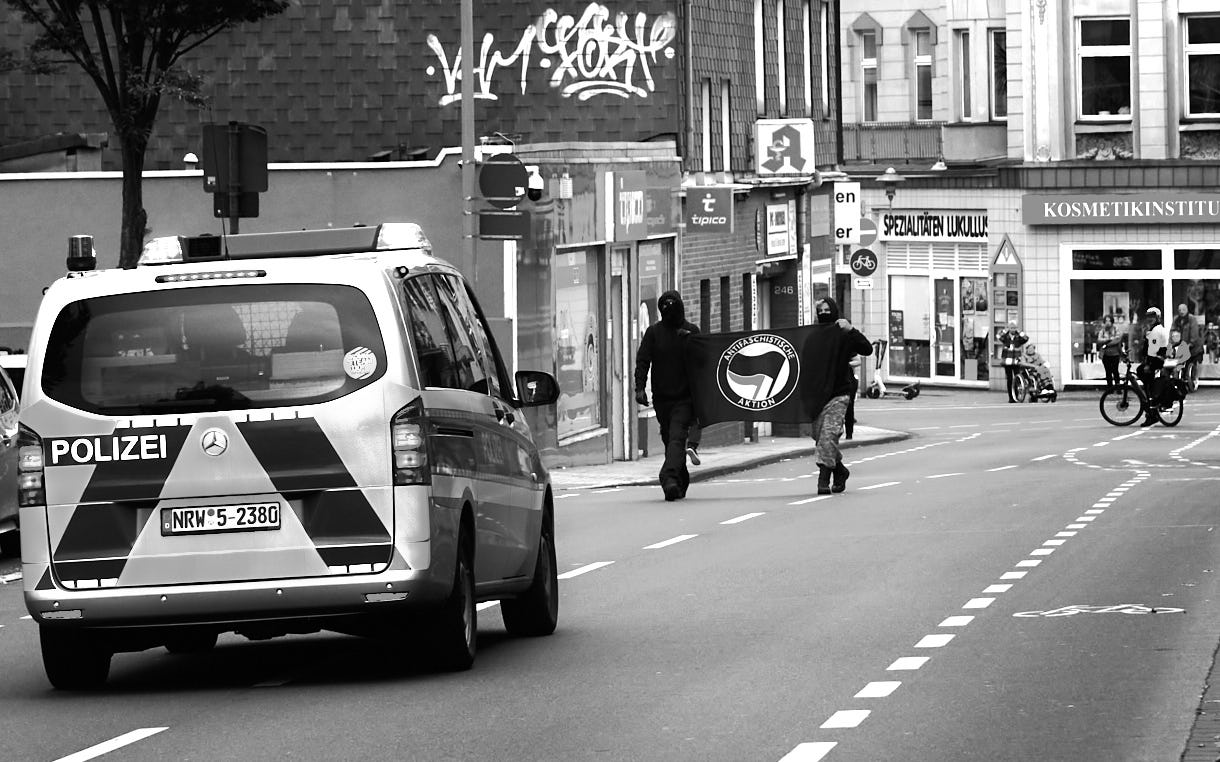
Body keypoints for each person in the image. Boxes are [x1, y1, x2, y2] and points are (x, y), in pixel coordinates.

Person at [799, 297, 873, 495]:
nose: (823, 312)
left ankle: (823, 481)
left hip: (839, 394)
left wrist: (851, 329)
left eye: (826, 309)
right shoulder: (812, 337)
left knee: (828, 435)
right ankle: (840, 471)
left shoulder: (843, 334)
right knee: (821, 439)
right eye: (820, 310)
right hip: (817, 397)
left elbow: (867, 348)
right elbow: (805, 368)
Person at [634, 290, 699, 501]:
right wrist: (640, 387)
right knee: (670, 439)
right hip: (662, 399)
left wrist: (690, 342)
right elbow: (643, 360)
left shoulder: (691, 331)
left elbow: (704, 360)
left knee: (677, 437)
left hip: (685, 398)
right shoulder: (654, 333)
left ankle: (668, 477)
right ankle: (680, 479)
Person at [1139, 306, 1170, 427]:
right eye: (1148, 317)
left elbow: (1153, 350)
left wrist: (1148, 364)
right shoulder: (1155, 329)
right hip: (1156, 360)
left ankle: (1152, 414)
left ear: (1158, 317)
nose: (1150, 319)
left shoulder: (1156, 331)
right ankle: (1152, 408)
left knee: (1148, 385)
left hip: (1155, 361)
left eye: (1152, 317)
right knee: (1148, 384)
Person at [998, 320, 1029, 402]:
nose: (1013, 329)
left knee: (1017, 378)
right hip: (1007, 361)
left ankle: (1017, 395)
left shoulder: (1018, 337)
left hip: (1016, 360)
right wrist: (1005, 330)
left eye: (1014, 328)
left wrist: (1019, 332)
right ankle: (1011, 397)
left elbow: (1026, 338)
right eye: (1011, 328)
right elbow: (998, 336)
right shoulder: (1005, 337)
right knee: (1009, 379)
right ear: (1009, 328)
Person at [1097, 315, 1124, 392]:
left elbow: (1117, 339)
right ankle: (1110, 388)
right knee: (1108, 371)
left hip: (1115, 354)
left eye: (1109, 321)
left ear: (1112, 322)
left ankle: (1118, 388)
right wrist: (1109, 339)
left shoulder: (1116, 329)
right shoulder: (1102, 331)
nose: (1107, 323)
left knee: (1115, 371)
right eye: (1106, 321)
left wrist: (1106, 344)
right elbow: (1099, 340)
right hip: (1105, 355)